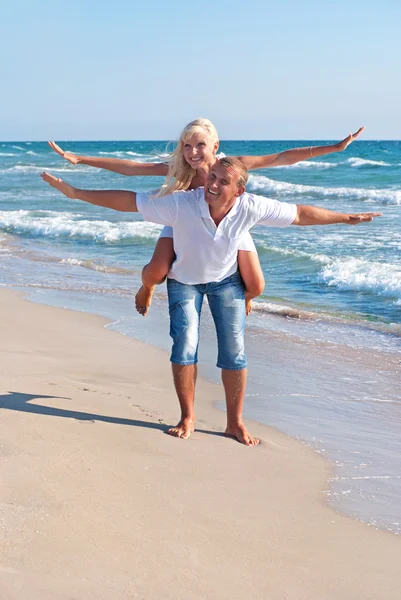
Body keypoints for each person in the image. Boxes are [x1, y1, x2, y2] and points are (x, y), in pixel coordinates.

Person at [40, 157, 380, 446]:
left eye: (223, 181)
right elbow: (129, 200)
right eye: (212, 177)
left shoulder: (251, 206)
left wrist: (346, 218)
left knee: (234, 350)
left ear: (239, 191)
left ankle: (234, 423)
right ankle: (187, 417)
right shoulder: (183, 203)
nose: (212, 184)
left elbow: (300, 214)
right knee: (185, 344)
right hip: (184, 282)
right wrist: (75, 193)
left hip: (226, 283)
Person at [48, 119, 365, 316]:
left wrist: (334, 148)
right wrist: (81, 159)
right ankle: (146, 289)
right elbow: (131, 167)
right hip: (183, 224)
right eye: (187, 145)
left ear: (214, 145)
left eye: (199, 144)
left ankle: (244, 299)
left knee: (256, 285)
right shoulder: (179, 170)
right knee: (156, 272)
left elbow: (282, 157)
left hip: (228, 224)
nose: (192, 151)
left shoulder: (233, 165)